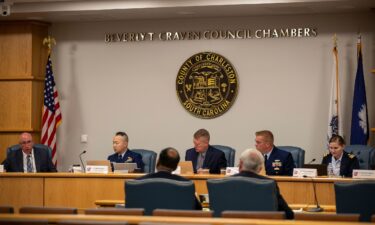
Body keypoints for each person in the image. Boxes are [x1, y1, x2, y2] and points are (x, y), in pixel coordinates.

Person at [233, 148, 294, 219]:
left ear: (240, 165)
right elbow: (288, 214)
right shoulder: (269, 184)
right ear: (260, 168)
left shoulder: (222, 183)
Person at [137, 147, 202, 210]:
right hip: (176, 220)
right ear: (175, 167)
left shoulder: (138, 182)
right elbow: (197, 209)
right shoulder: (186, 184)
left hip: (146, 220)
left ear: (158, 162)